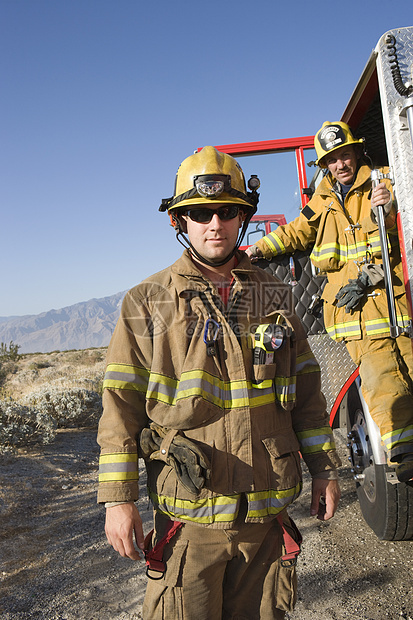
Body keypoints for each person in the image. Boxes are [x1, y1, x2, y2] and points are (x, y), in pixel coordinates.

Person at [97, 145, 341, 620]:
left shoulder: (274, 294)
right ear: (179, 222)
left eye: (227, 211)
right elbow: (120, 408)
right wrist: (118, 501)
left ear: (242, 217)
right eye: (201, 212)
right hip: (191, 522)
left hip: (264, 520)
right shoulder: (148, 302)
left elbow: (307, 392)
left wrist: (325, 468)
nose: (215, 223)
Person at [247, 121, 413, 484]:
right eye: (333, 159)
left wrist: (392, 204)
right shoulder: (320, 202)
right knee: (379, 376)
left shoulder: (386, 180)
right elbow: (294, 234)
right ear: (324, 166)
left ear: (356, 153)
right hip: (355, 315)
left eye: (345, 155)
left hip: (397, 302)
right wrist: (257, 248)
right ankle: (406, 455)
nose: (341, 164)